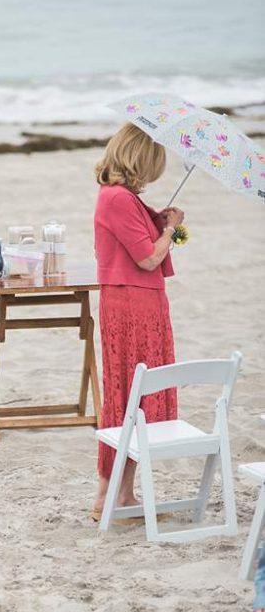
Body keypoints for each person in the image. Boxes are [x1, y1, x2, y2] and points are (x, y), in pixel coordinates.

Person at [92, 123, 184, 519]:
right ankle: (107, 492)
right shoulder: (117, 198)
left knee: (137, 396)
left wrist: (162, 223)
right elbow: (147, 257)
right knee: (129, 396)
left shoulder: (125, 198)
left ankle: (123, 493)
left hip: (141, 303)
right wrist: (170, 229)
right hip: (132, 306)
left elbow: (145, 245)